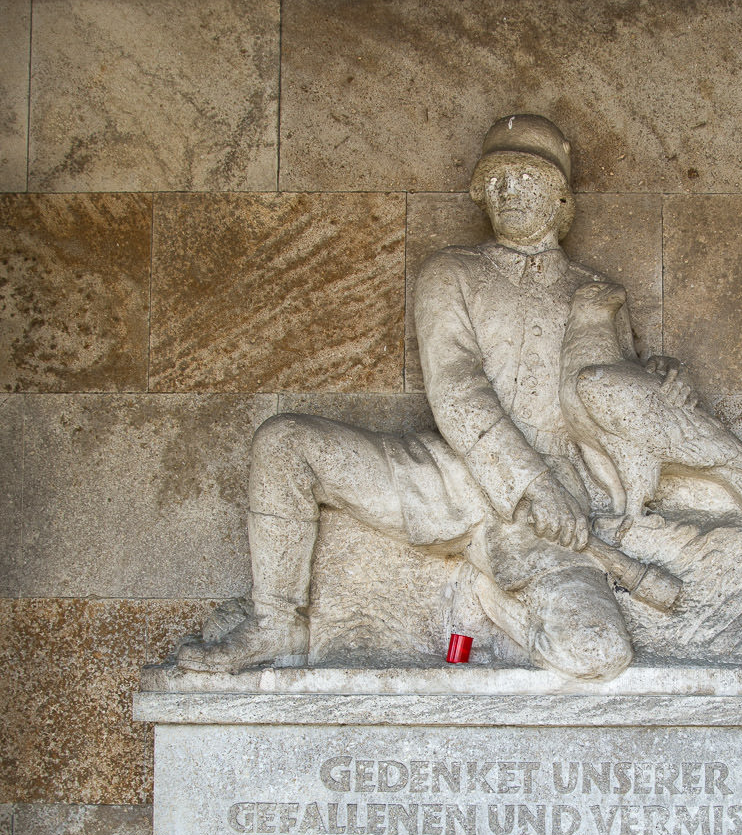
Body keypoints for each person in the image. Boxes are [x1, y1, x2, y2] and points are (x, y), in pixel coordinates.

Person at [178, 114, 683, 680]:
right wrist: (532, 484)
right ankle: (275, 621)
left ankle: (495, 605)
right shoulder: (451, 273)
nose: (509, 191)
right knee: (284, 442)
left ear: (562, 196)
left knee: (598, 652)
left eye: (527, 178)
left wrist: (660, 379)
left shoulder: (597, 294)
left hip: (549, 511)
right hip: (447, 475)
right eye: (496, 179)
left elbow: (612, 392)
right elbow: (457, 389)